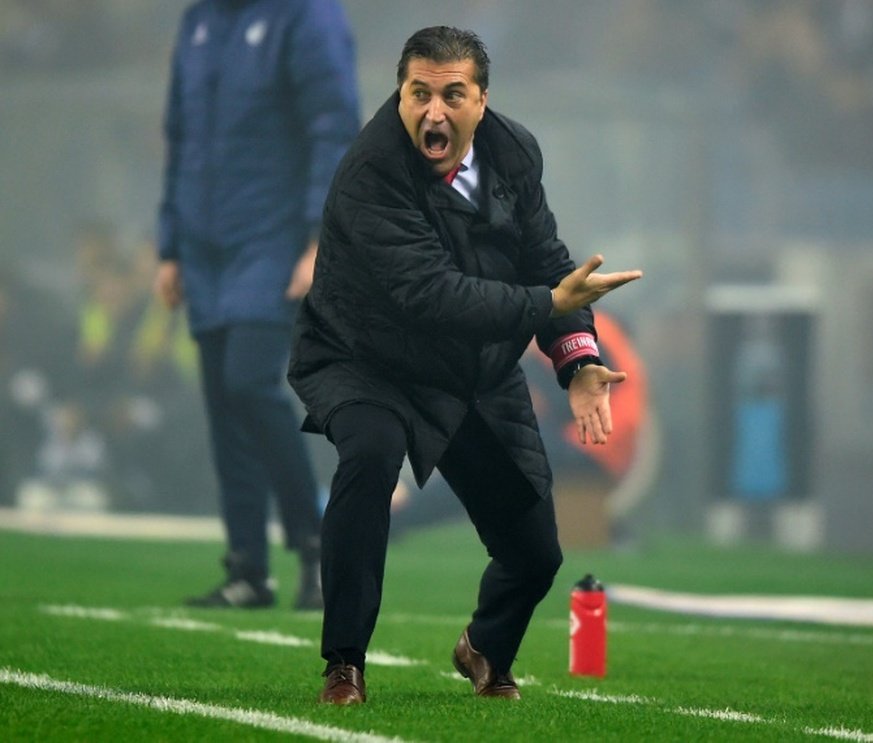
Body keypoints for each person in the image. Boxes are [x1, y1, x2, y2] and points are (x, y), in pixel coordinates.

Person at [288, 26, 643, 704]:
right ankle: (344, 663)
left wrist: (579, 360)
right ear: (401, 95)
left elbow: (546, 257)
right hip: (366, 356)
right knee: (368, 455)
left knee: (537, 552)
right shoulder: (370, 171)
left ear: (482, 101)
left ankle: (483, 645)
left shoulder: (514, 153)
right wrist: (545, 302)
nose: (433, 111)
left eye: (453, 94)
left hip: (474, 366)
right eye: (418, 94)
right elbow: (429, 294)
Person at [154, 0, 361, 610]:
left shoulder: (306, 16)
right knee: (223, 399)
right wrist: (170, 244)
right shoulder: (197, 21)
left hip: (271, 238)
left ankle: (317, 540)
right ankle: (248, 569)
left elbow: (332, 126)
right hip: (203, 243)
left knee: (248, 381)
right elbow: (179, 133)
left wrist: (318, 238)